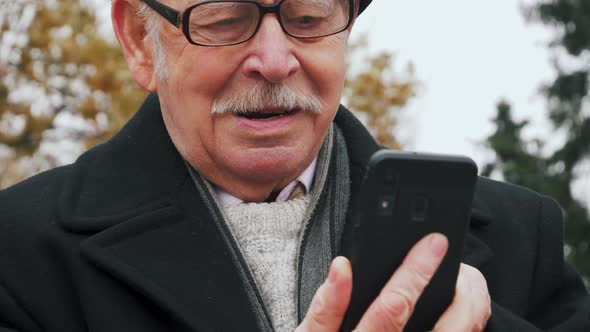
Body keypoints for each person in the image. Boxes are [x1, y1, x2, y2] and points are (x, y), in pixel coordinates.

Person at [0, 0, 588, 330]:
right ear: (137, 38)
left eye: (307, 17)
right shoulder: (18, 254)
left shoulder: (520, 236)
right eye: (225, 19)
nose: (276, 61)